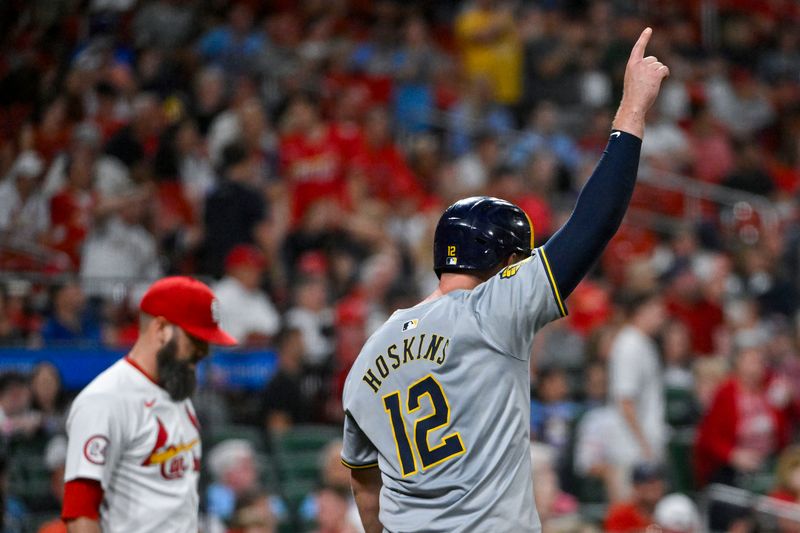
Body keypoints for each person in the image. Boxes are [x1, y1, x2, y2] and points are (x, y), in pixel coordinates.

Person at [341, 28, 669, 532]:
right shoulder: (491, 312)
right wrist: (632, 111)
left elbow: (367, 490)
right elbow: (593, 224)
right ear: (503, 261)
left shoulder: (365, 362)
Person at [61, 276, 237, 532]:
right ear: (161, 329)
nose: (203, 353)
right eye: (195, 341)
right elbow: (80, 514)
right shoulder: (105, 400)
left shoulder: (177, 392)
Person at [608, 290, 668, 497]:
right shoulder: (628, 345)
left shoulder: (646, 344)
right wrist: (645, 446)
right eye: (657, 309)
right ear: (641, 312)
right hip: (632, 451)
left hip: (644, 448)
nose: (662, 315)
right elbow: (625, 401)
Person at [604, 463, 666, 532]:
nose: (653, 487)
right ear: (635, 487)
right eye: (647, 483)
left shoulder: (670, 508)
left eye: (656, 482)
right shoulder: (621, 512)